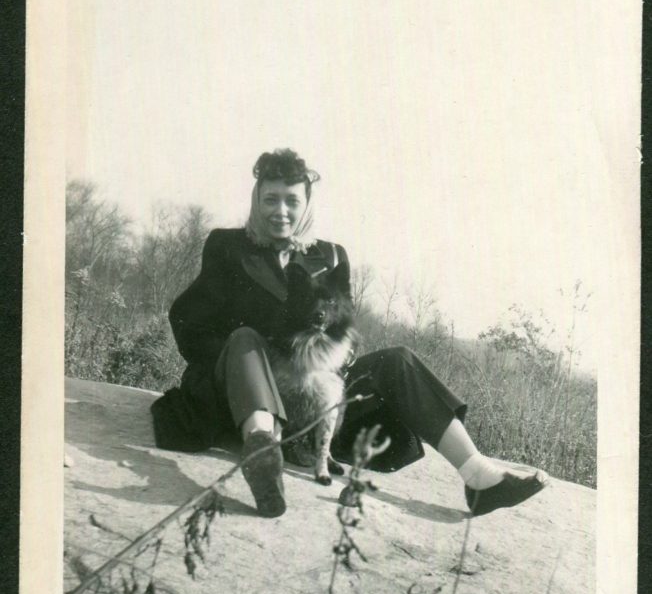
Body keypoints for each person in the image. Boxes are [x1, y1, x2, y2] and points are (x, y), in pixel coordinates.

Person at [151, 148, 547, 518]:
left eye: (291, 201)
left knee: (398, 359)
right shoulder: (227, 246)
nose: (281, 212)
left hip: (313, 395)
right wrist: (250, 363)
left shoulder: (331, 256)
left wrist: (327, 369)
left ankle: (478, 477)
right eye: (270, 200)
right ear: (257, 200)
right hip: (243, 387)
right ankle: (262, 452)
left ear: (306, 204)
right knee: (246, 339)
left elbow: (348, 333)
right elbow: (188, 320)